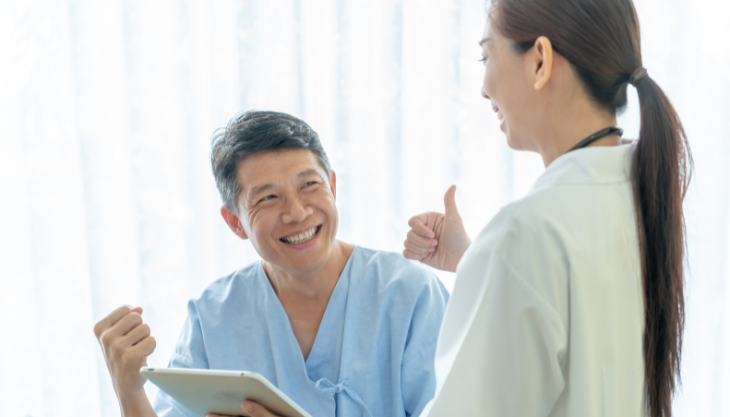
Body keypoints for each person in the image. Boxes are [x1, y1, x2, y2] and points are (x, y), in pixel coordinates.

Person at [399, 0, 692, 416]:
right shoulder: (640, 195)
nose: (483, 87)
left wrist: (496, 263)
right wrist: (477, 264)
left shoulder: (525, 234)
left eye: (486, 55)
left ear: (540, 60)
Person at [93, 111, 449, 417]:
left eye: (309, 185)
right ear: (235, 222)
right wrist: (130, 393)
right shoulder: (213, 317)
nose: (297, 212)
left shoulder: (411, 295)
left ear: (333, 187)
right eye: (268, 197)